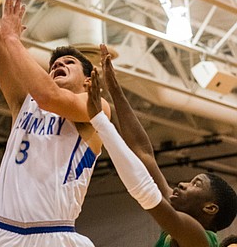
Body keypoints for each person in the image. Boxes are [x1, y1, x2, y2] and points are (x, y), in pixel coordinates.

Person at [0, 0, 110, 246]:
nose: (58, 65)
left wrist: (12, 39)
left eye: (69, 62)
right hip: (3, 231)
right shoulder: (24, 103)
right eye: (54, 64)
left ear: (88, 81)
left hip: (55, 234)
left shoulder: (95, 106)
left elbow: (48, 96)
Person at [86, 43, 237, 247]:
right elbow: (143, 152)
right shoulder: (175, 220)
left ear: (210, 208)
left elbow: (145, 192)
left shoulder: (199, 238)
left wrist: (100, 121)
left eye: (196, 184)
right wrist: (114, 88)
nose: (182, 184)